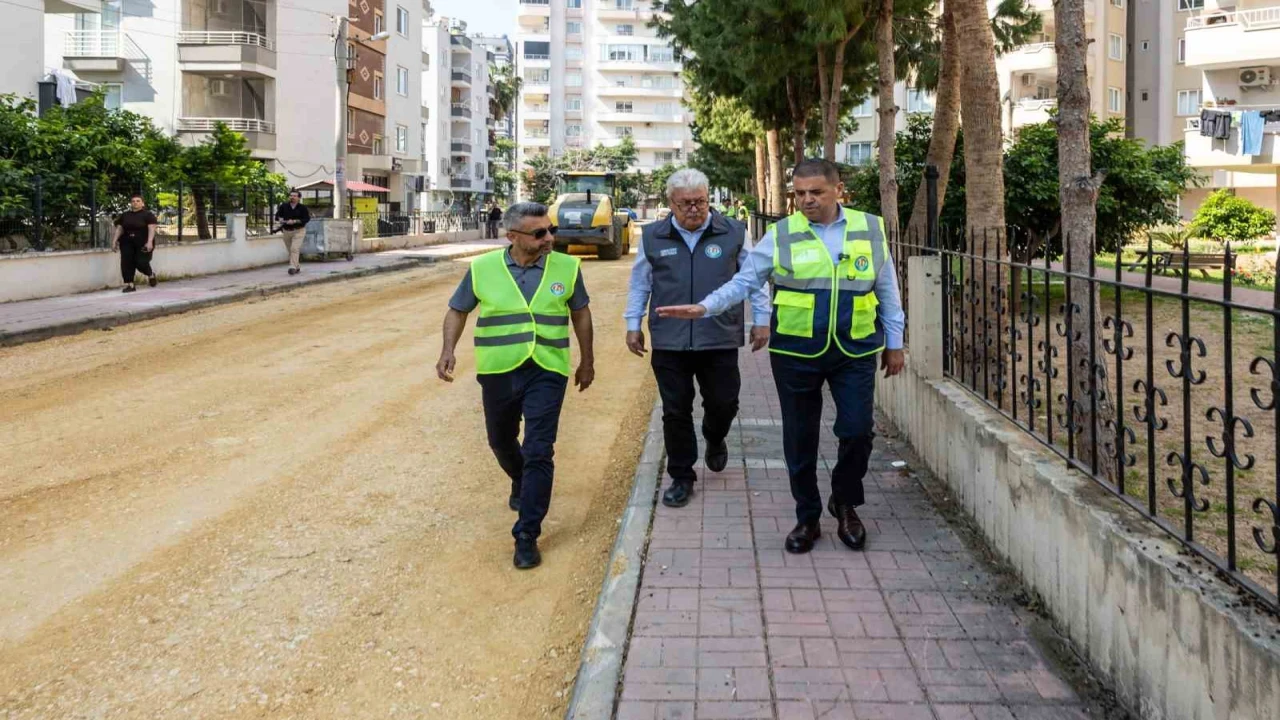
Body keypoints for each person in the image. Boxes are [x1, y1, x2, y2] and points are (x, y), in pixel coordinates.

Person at [656, 158, 906, 555]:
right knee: (799, 436)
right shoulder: (782, 234)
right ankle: (807, 516)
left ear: (838, 190)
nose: (806, 200)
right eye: (799, 193)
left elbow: (888, 289)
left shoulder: (869, 227)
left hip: (854, 349)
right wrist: (705, 307)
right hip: (794, 352)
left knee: (858, 430)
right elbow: (744, 281)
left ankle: (844, 503)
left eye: (816, 192)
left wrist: (896, 342)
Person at [436, 202, 595, 569]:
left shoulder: (567, 267)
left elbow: (581, 313)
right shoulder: (482, 268)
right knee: (500, 439)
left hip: (547, 369)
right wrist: (448, 350)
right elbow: (458, 310)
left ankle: (527, 533)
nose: (548, 238)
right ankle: (520, 479)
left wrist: (587, 361)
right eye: (539, 233)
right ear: (513, 237)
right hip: (499, 369)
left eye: (550, 230)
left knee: (539, 448)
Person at [625, 169, 771, 508]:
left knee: (724, 403)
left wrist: (762, 320)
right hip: (669, 340)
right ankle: (681, 475)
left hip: (718, 336)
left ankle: (714, 435)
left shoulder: (733, 232)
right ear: (671, 204)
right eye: (685, 203)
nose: (694, 209)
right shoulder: (652, 237)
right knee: (675, 410)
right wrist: (633, 324)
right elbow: (640, 284)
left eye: (700, 202)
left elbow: (754, 280)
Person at [112, 193, 158, 293]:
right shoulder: (125, 215)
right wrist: (114, 241)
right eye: (133, 201)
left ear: (142, 204)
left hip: (143, 242)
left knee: (141, 262)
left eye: (138, 201)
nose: (135, 203)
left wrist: (149, 242)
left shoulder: (148, 215)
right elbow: (120, 228)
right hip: (127, 242)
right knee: (126, 262)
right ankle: (130, 285)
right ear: (130, 203)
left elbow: (151, 228)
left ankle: (150, 274)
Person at [274, 190, 311, 275]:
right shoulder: (284, 206)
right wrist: (281, 219)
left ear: (298, 198)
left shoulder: (302, 208)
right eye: (291, 195)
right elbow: (277, 216)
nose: (292, 197)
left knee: (294, 248)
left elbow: (306, 219)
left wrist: (295, 221)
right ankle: (297, 266)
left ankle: (292, 267)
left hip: (299, 230)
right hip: (286, 231)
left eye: (294, 196)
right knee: (290, 250)